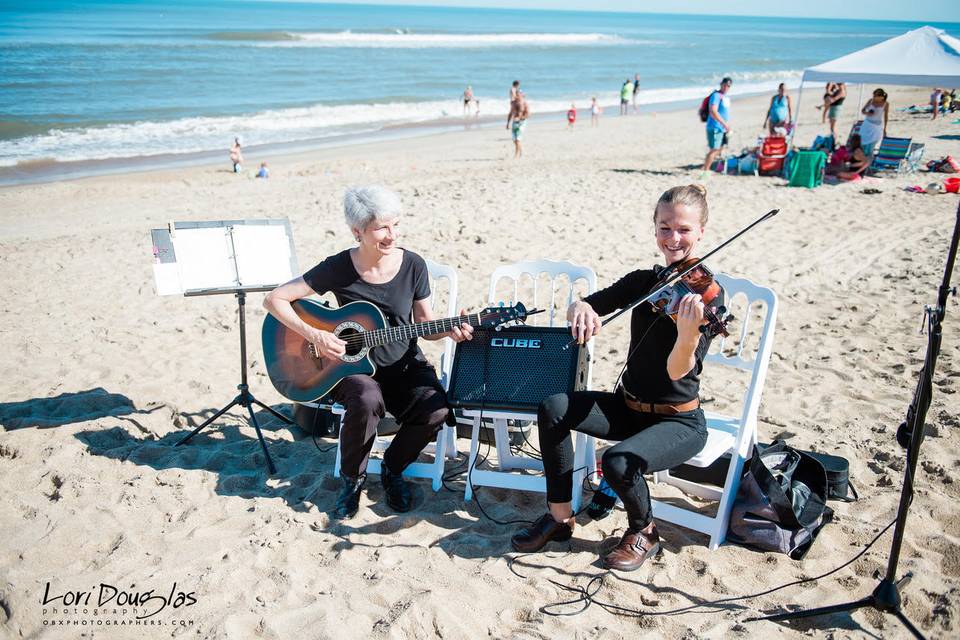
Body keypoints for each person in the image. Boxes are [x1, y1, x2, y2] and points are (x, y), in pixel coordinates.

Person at [510, 184, 723, 571]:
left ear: (701, 232)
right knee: (554, 407)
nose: (673, 238)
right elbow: (590, 301)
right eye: (665, 228)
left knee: (619, 461)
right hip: (629, 407)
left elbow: (678, 371)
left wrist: (690, 333)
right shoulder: (645, 281)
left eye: (684, 230)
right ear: (655, 229)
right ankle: (559, 518)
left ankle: (644, 531)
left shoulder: (706, 300)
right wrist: (583, 309)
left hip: (678, 420)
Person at [263, 186, 474, 520]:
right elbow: (274, 299)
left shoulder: (413, 265)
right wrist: (315, 333)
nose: (392, 236)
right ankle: (353, 480)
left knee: (435, 409)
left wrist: (449, 330)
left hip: (403, 364)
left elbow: (425, 323)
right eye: (382, 228)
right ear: (357, 232)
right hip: (350, 367)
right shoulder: (338, 267)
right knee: (365, 398)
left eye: (396, 225)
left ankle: (392, 468)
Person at [702, 77, 732, 172]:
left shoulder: (724, 97)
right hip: (715, 127)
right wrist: (725, 124)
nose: (726, 87)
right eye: (725, 85)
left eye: (728, 86)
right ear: (721, 84)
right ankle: (705, 171)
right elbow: (713, 111)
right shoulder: (716, 95)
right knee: (714, 149)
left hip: (722, 128)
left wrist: (726, 125)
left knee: (721, 148)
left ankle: (706, 166)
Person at [859, 88, 890, 157]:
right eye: (873, 95)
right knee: (862, 144)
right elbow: (863, 110)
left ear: (881, 97)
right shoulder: (870, 101)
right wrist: (867, 113)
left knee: (871, 146)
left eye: (875, 96)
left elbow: (886, 116)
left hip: (877, 127)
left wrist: (885, 129)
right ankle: (863, 159)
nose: (873, 97)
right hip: (867, 125)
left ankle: (869, 160)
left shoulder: (886, 104)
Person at [506, 90, 529, 159]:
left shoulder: (524, 103)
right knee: (514, 139)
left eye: (519, 94)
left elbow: (528, 114)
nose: (517, 95)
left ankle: (516, 155)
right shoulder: (513, 103)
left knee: (517, 139)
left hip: (522, 122)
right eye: (517, 94)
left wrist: (520, 118)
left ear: (522, 95)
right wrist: (508, 123)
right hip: (514, 122)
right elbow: (510, 113)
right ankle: (521, 152)